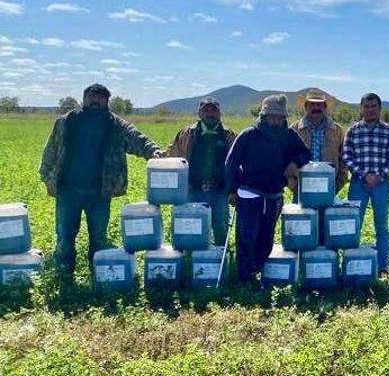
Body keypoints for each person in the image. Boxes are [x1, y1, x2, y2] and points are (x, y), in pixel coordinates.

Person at [39, 83, 161, 283]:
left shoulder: (116, 125)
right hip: (68, 191)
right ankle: (63, 277)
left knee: (98, 238)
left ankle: (98, 276)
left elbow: (138, 139)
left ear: (106, 101)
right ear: (84, 98)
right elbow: (50, 150)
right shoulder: (67, 121)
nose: (95, 100)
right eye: (91, 96)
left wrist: (154, 152)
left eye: (100, 97)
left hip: (100, 192)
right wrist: (47, 178)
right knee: (64, 238)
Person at [225, 94, 311, 283]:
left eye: (280, 117)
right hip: (249, 194)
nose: (276, 120)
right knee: (247, 236)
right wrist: (231, 190)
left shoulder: (289, 135)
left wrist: (295, 163)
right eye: (272, 116)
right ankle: (244, 278)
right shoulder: (249, 134)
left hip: (274, 195)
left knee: (266, 237)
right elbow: (231, 163)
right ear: (263, 116)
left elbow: (305, 153)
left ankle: (258, 271)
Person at [164, 96, 237, 246]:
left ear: (219, 113)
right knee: (191, 230)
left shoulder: (229, 135)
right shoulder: (186, 133)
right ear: (199, 113)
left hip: (220, 191)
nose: (210, 113)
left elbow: (237, 164)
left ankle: (220, 256)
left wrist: (234, 190)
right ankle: (190, 257)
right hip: (192, 190)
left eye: (213, 110)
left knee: (221, 228)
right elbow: (172, 156)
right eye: (206, 110)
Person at [342, 93, 389, 272]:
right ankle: (351, 264)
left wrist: (379, 176)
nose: (370, 110)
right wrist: (363, 175)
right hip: (358, 184)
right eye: (366, 106)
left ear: (380, 108)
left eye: (373, 106)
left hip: (381, 184)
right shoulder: (352, 131)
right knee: (353, 224)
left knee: (381, 225)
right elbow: (346, 156)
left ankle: (382, 266)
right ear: (361, 108)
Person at [286, 88, 348, 200]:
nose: (316, 108)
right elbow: (286, 159)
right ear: (306, 107)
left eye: (319, 105)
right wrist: (294, 186)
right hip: (300, 187)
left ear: (325, 107)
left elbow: (343, 161)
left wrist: (336, 186)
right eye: (312, 104)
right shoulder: (294, 129)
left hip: (329, 187)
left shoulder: (337, 131)